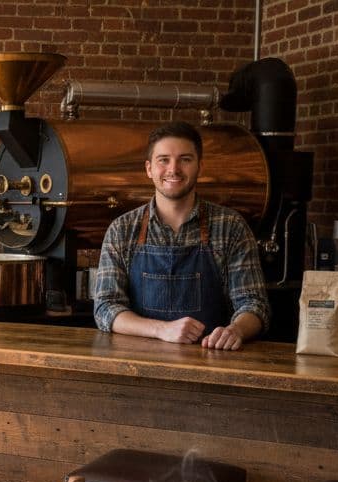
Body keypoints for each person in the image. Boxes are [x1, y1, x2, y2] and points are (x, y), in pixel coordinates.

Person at [93, 121, 270, 350]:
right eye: (163, 160)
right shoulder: (122, 230)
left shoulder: (231, 226)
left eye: (185, 159)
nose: (173, 169)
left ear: (200, 167)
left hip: (212, 362)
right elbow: (106, 308)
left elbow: (255, 305)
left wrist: (235, 330)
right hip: (137, 364)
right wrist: (162, 330)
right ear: (149, 169)